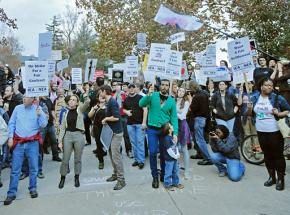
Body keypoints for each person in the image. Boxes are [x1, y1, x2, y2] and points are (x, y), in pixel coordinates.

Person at [4, 95, 48, 205]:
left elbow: (44, 124)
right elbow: (12, 123)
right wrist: (10, 137)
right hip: (18, 143)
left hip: (33, 143)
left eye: (27, 97)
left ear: (33, 99)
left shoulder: (38, 109)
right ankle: (11, 193)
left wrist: (40, 115)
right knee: (15, 169)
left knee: (34, 168)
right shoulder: (17, 108)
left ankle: (32, 188)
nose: (24, 99)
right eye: (24, 97)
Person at [248, 77, 290, 191]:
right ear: (261, 86)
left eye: (271, 85)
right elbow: (250, 114)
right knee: (267, 155)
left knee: (278, 156)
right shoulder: (254, 97)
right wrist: (249, 109)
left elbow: (287, 110)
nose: (269, 87)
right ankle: (272, 178)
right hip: (261, 131)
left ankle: (281, 179)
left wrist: (279, 113)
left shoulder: (277, 97)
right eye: (266, 85)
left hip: (275, 131)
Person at [139, 79, 178, 189]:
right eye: (163, 85)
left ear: (169, 87)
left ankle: (164, 174)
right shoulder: (153, 95)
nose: (164, 87)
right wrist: (148, 95)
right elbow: (141, 103)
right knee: (152, 153)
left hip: (165, 130)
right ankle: (155, 176)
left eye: (167, 85)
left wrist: (175, 133)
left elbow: (174, 118)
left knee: (164, 153)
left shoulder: (171, 101)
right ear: (159, 86)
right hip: (152, 129)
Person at [58, 94, 88, 189]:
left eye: (74, 100)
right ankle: (62, 177)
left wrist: (84, 93)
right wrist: (59, 141)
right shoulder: (65, 112)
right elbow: (62, 127)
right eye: (70, 99)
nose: (71, 101)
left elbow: (87, 102)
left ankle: (76, 177)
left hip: (78, 135)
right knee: (65, 159)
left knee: (77, 159)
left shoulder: (80, 110)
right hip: (68, 136)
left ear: (77, 102)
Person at [100, 85, 126, 190]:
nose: (99, 94)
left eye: (100, 92)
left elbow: (116, 117)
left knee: (116, 156)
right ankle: (115, 174)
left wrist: (106, 118)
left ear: (104, 92)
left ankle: (121, 180)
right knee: (111, 154)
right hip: (111, 133)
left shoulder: (112, 102)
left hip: (116, 133)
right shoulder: (108, 102)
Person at [123, 83, 148, 169]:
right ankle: (137, 159)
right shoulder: (126, 100)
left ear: (136, 89)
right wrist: (126, 112)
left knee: (140, 142)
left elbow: (145, 110)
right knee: (133, 142)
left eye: (133, 87)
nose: (132, 89)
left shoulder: (141, 98)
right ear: (128, 89)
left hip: (139, 123)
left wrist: (144, 122)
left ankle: (141, 161)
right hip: (130, 124)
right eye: (130, 88)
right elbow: (123, 109)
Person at [187, 81, 212, 165]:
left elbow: (192, 108)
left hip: (198, 119)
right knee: (199, 139)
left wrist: (191, 100)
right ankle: (200, 154)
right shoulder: (204, 94)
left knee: (200, 140)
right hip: (203, 119)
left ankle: (208, 158)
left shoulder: (197, 96)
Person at [161, 123, 184, 191]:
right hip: (169, 159)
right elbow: (169, 150)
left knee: (176, 171)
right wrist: (175, 155)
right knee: (168, 172)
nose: (172, 126)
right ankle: (167, 184)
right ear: (169, 130)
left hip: (174, 158)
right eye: (171, 126)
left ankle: (175, 183)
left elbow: (174, 146)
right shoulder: (166, 139)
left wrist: (177, 153)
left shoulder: (171, 137)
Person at [88, 91, 107, 169]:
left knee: (110, 144)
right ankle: (101, 161)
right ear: (98, 98)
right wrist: (93, 109)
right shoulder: (96, 106)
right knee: (99, 145)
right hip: (97, 128)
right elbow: (89, 116)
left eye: (103, 96)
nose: (102, 97)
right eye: (100, 96)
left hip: (107, 128)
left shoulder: (109, 106)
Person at [175, 87, 191, 179]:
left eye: (183, 91)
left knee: (184, 149)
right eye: (179, 90)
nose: (180, 92)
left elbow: (182, 117)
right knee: (175, 149)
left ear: (185, 93)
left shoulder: (186, 102)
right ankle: (176, 169)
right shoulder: (173, 100)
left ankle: (187, 171)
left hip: (182, 126)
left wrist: (174, 111)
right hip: (174, 126)